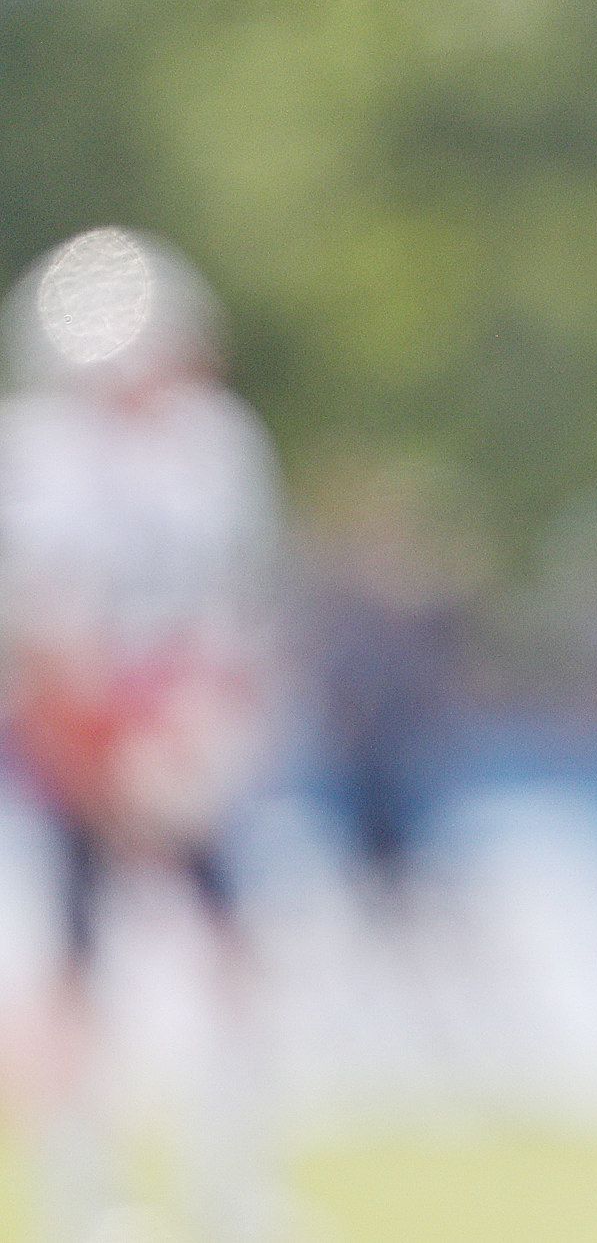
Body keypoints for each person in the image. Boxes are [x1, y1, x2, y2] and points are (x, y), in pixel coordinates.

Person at [0, 228, 290, 1242]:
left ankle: (232, 1184)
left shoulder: (214, 447)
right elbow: (39, 635)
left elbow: (240, 614)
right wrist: (91, 763)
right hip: (75, 740)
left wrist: (209, 733)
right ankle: (81, 1192)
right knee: (75, 966)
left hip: (185, 732)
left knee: (231, 951)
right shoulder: (37, 454)